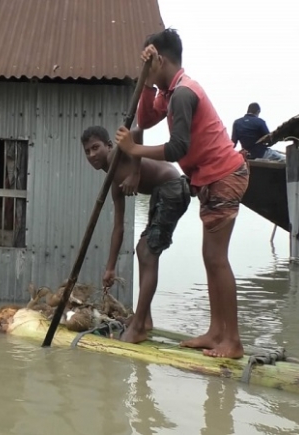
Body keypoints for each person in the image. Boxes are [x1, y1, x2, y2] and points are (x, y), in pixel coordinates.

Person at [114, 28, 249, 359]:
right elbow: (145, 116)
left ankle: (232, 341)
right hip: (212, 180)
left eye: (148, 61)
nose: (145, 67)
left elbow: (177, 148)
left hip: (224, 176)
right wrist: (146, 80)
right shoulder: (168, 91)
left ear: (159, 58)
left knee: (217, 259)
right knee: (210, 258)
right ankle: (217, 332)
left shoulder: (184, 94)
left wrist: (135, 149)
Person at [81, 125, 190, 344]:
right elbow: (118, 227)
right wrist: (110, 267)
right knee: (143, 249)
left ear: (109, 146)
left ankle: (139, 326)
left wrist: (135, 172)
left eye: (96, 148)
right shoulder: (114, 184)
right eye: (87, 151)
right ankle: (145, 319)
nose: (92, 155)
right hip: (161, 193)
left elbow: (138, 131)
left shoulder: (118, 154)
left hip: (174, 188)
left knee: (147, 252)